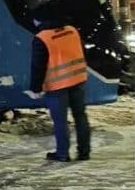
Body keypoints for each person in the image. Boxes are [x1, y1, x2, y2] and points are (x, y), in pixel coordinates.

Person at [30, 18, 91, 162]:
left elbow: (38, 66)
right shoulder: (72, 30)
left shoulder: (42, 38)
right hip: (78, 80)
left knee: (60, 121)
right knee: (80, 116)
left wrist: (35, 89)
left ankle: (62, 154)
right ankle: (84, 152)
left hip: (57, 85)